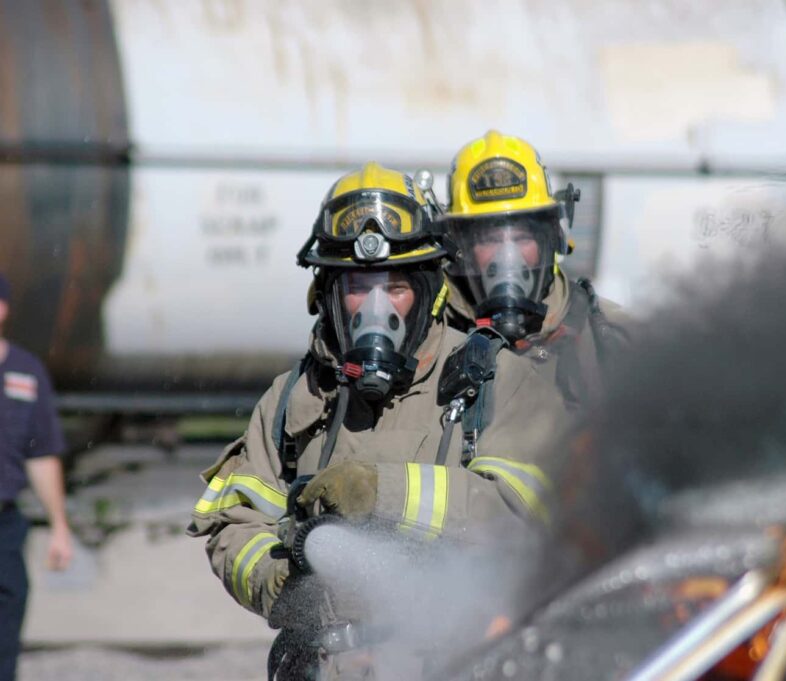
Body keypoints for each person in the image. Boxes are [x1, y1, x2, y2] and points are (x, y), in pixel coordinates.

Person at [187, 163, 567, 679]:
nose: (377, 308)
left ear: (429, 290)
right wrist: (287, 581)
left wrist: (379, 492)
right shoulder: (293, 396)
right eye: (359, 287)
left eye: (396, 287)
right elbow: (231, 521)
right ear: (327, 295)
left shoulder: (497, 381)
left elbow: (527, 516)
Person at [441, 130, 629, 412]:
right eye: (490, 239)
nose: (508, 257)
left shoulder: (612, 337)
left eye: (522, 238)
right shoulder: (432, 339)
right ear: (460, 248)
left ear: (551, 239)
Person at [0, 273, 73, 681]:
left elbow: (42, 456)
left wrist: (60, 527)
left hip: (5, 525)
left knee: (5, 636)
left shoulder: (25, 374)